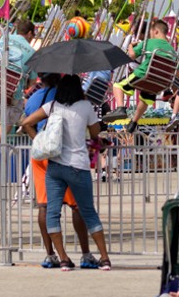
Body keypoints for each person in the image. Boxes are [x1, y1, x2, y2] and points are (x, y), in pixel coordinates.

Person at [20, 74, 112, 270]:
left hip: (54, 164)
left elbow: (26, 122)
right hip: (77, 165)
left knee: (51, 212)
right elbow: (96, 134)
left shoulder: (52, 106)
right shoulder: (85, 106)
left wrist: (38, 141)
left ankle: (62, 258)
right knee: (86, 210)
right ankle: (103, 258)